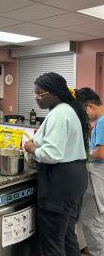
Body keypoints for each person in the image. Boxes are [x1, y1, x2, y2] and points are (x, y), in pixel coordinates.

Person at [24, 72, 89, 256]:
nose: (36, 98)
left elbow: (51, 154)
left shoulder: (59, 114)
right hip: (74, 178)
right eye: (34, 93)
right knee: (67, 235)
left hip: (59, 182)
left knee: (52, 242)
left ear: (55, 93)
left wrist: (30, 148)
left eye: (40, 94)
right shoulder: (67, 109)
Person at [75, 87, 104, 256]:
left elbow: (101, 152)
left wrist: (82, 153)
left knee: (93, 224)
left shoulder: (101, 121)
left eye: (84, 112)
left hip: (97, 178)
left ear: (90, 106)